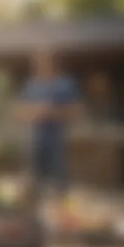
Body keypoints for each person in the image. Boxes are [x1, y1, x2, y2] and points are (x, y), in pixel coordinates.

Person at [16, 52, 82, 198]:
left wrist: (53, 111)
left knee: (59, 188)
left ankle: (60, 214)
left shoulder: (65, 84)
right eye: (37, 63)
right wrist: (34, 112)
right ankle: (34, 216)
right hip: (34, 143)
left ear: (53, 63)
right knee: (34, 187)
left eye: (43, 61)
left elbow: (76, 112)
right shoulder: (31, 85)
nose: (39, 66)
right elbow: (20, 113)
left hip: (57, 144)